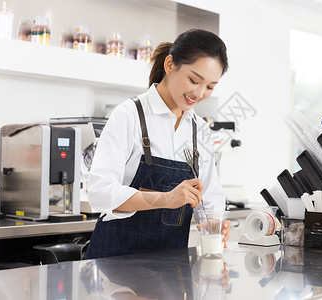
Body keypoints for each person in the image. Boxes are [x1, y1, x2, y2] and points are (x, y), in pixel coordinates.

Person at [85, 29, 230, 259]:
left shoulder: (199, 129)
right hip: (115, 267)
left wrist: (214, 221)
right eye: (194, 80)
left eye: (210, 87)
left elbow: (211, 197)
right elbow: (100, 193)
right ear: (170, 64)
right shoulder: (129, 115)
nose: (200, 93)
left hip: (171, 268)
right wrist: (166, 199)